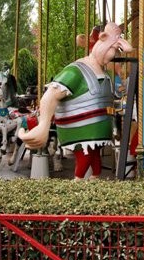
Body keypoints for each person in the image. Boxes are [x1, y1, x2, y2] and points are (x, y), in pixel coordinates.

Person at [18, 22, 132, 181]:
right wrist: (43, 124)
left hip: (97, 132)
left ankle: (93, 182)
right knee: (85, 159)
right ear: (101, 41)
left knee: (95, 163)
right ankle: (76, 185)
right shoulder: (77, 70)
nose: (112, 57)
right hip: (81, 130)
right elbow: (51, 94)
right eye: (112, 50)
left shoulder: (105, 75)